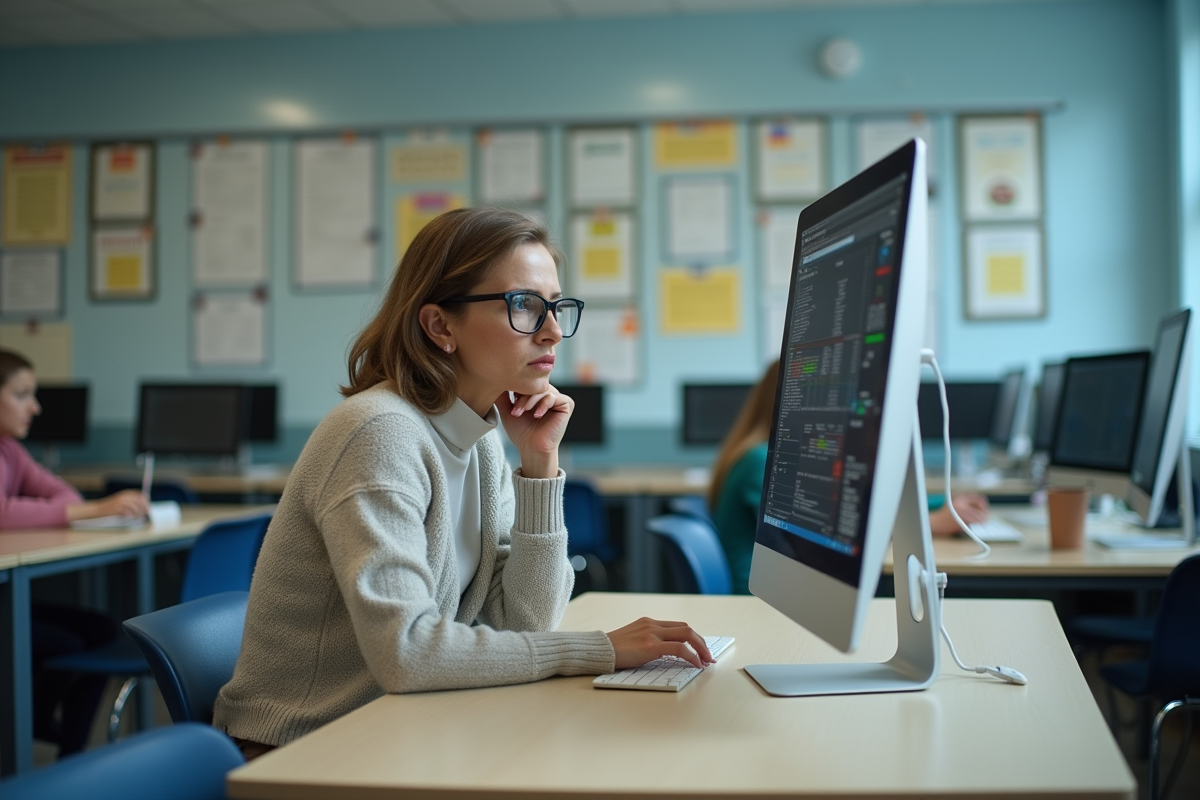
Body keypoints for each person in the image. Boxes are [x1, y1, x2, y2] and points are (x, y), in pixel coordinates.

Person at [214, 207, 713, 758]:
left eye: (556, 306)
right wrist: (599, 650)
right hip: (305, 749)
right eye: (524, 305)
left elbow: (525, 620)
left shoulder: (480, 440)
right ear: (439, 325)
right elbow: (407, 653)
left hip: (402, 724)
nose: (551, 330)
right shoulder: (378, 433)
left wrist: (539, 463)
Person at [709, 359, 991, 595]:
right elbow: (829, 531)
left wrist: (944, 503)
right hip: (767, 599)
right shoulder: (761, 459)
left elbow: (861, 504)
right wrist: (930, 522)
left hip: (789, 588)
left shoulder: (774, 453)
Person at [0, 349, 150, 755]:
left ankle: (70, 752)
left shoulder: (11, 451)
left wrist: (81, 507)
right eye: (21, 394)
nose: (35, 406)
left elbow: (62, 492)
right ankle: (27, 727)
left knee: (102, 629)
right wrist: (96, 509)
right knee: (64, 643)